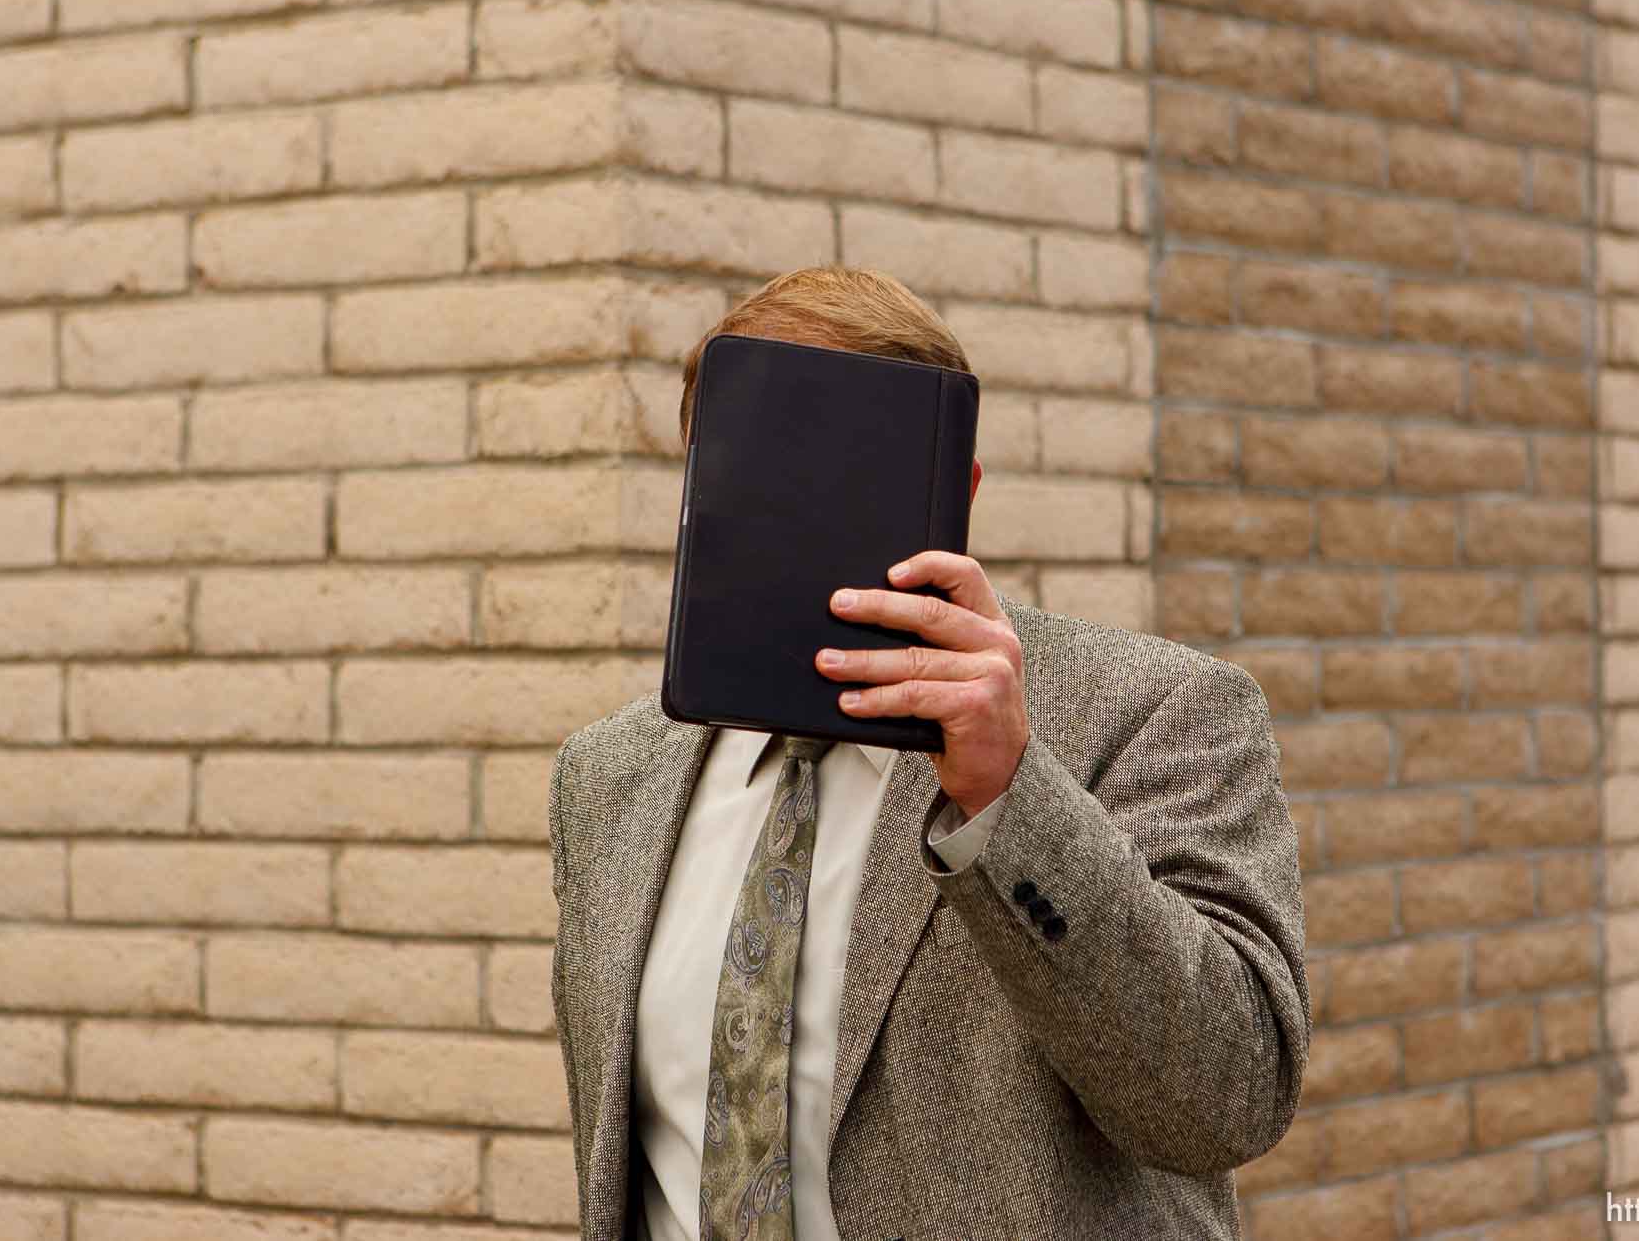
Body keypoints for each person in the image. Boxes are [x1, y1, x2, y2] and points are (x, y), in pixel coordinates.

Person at [546, 266, 1310, 1240]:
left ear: (959, 495)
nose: (791, 505)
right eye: (750, 460)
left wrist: (1009, 796)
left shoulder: (1158, 711)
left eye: (837, 470)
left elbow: (1227, 1097)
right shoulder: (609, 779)